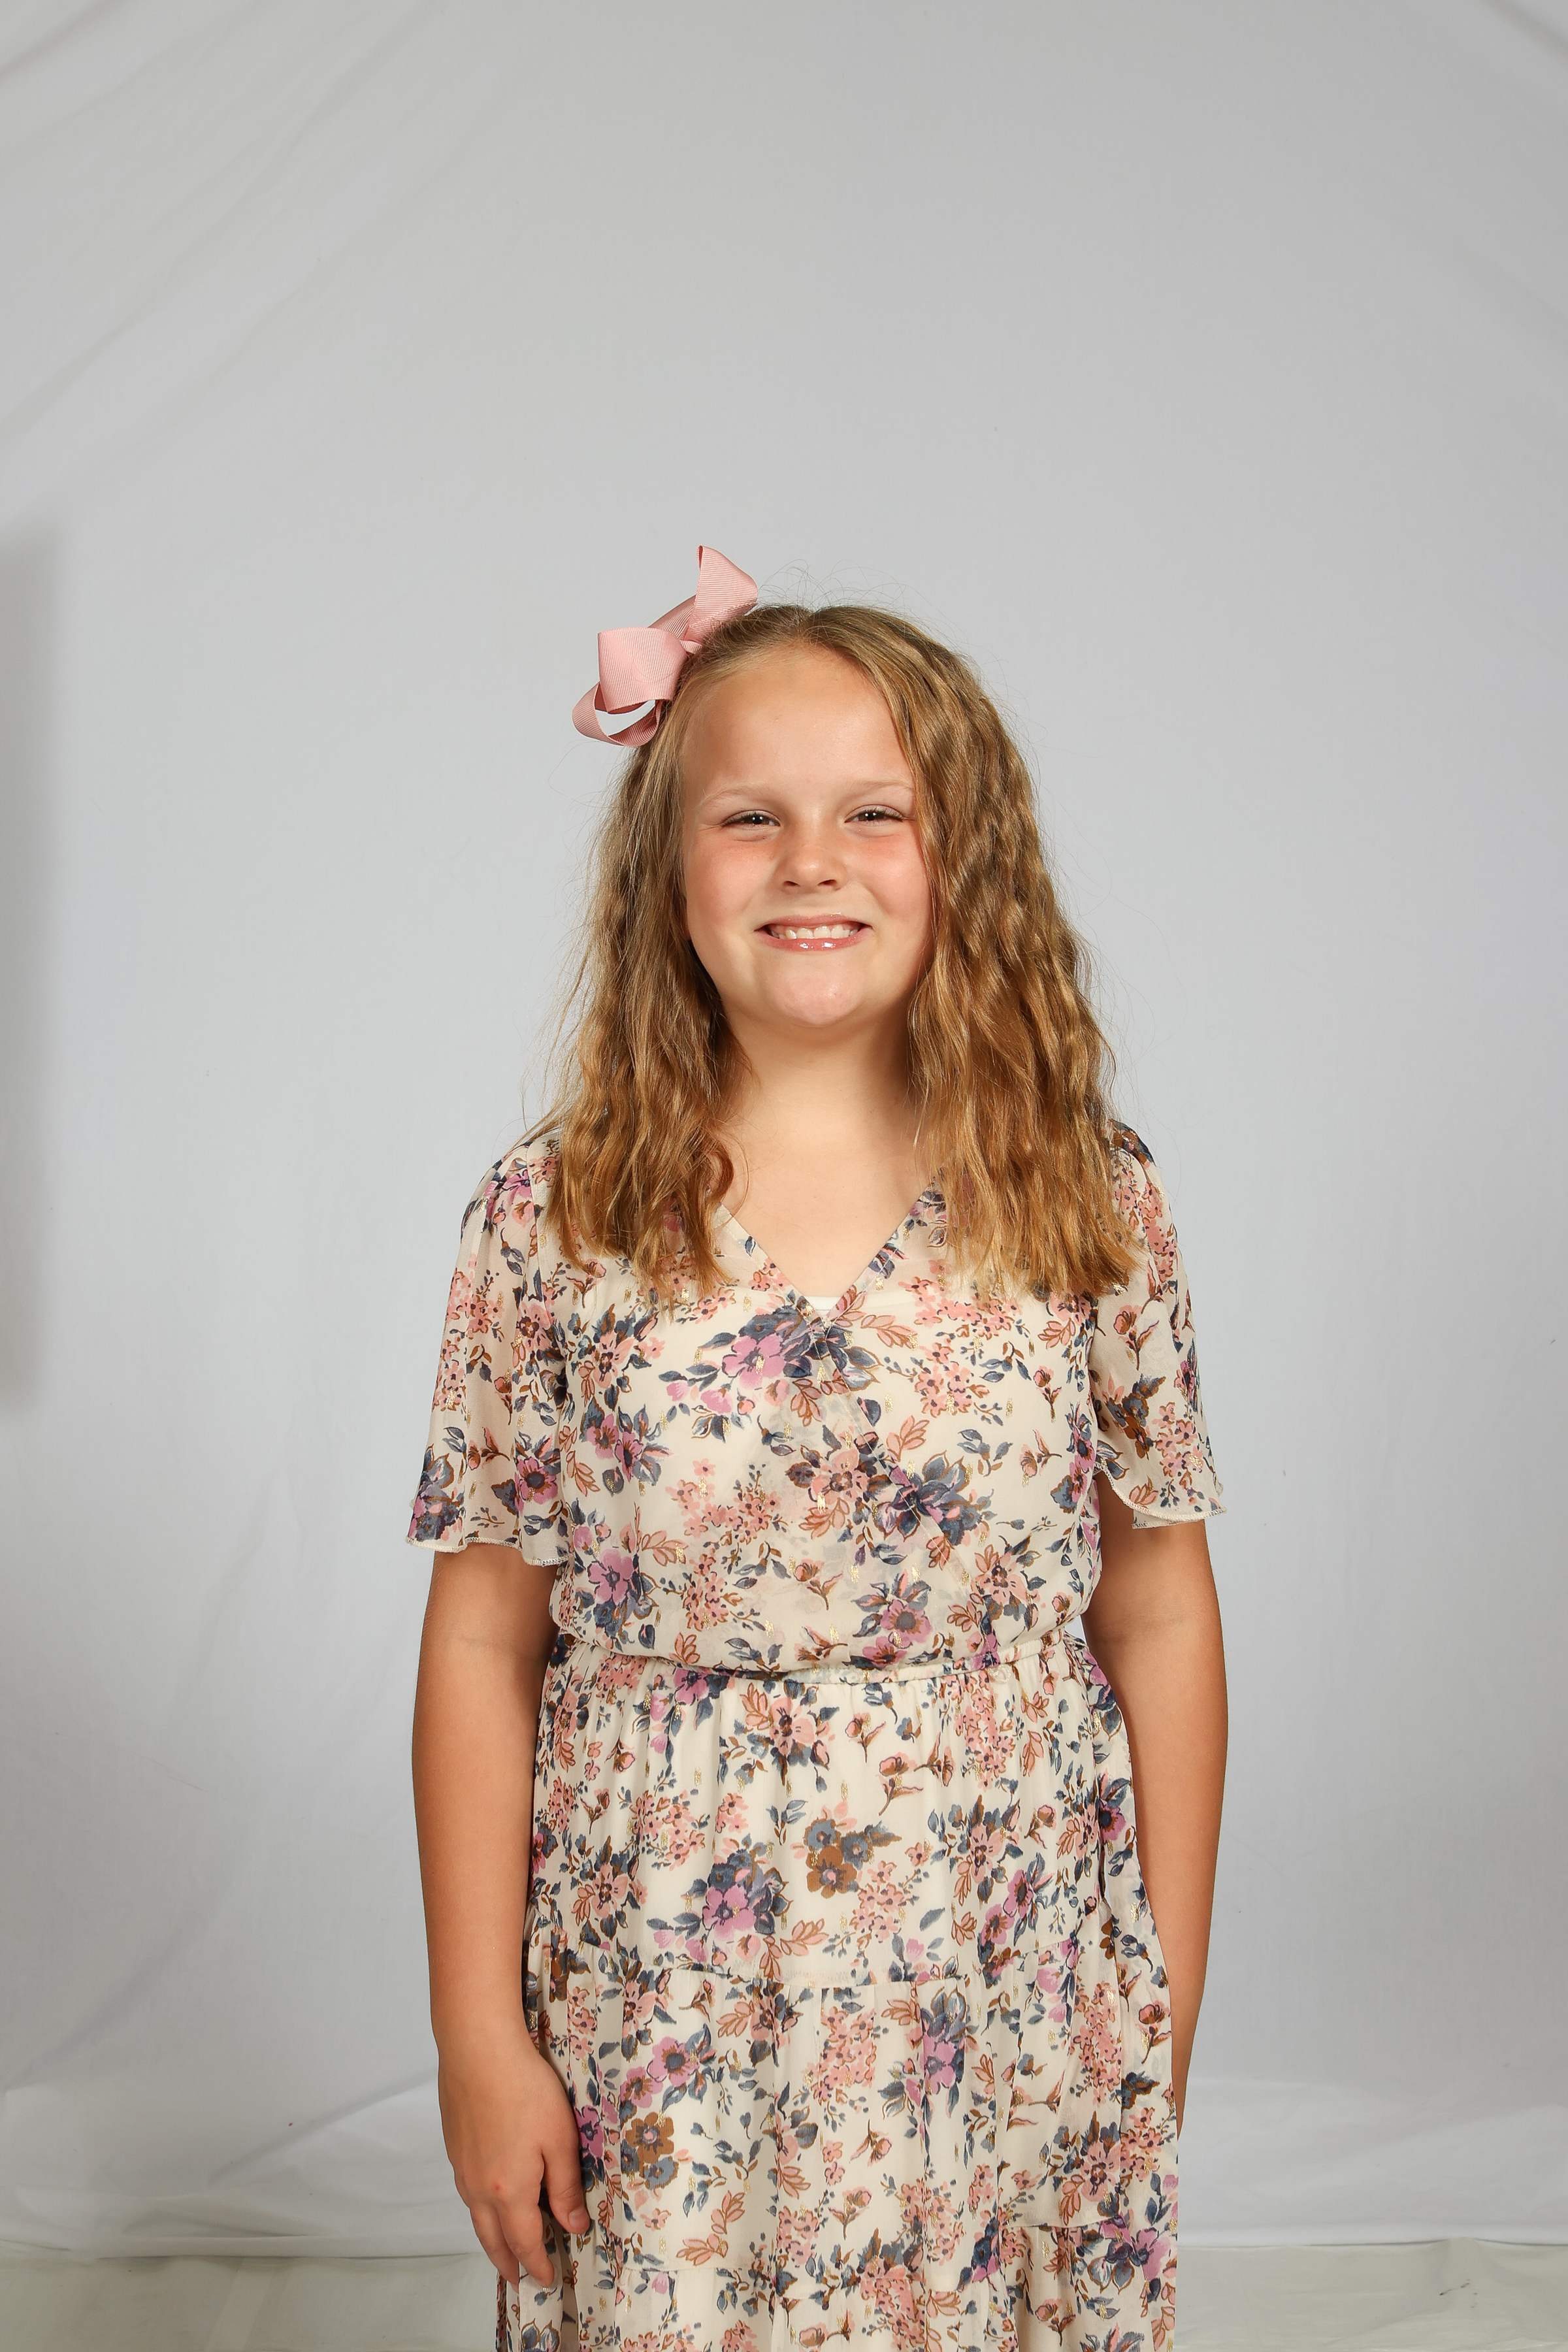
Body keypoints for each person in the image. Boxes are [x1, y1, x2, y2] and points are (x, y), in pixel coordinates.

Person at [407, 547, 1227, 2352]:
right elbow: (481, 1640)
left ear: (964, 856)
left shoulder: (1087, 1197)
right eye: (749, 818)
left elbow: (1160, 1606)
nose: (812, 863)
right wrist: (476, 2033)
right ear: (666, 867)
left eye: (876, 812)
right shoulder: (555, 1216)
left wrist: (1157, 2001)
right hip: (662, 1994)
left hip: (1005, 1973)